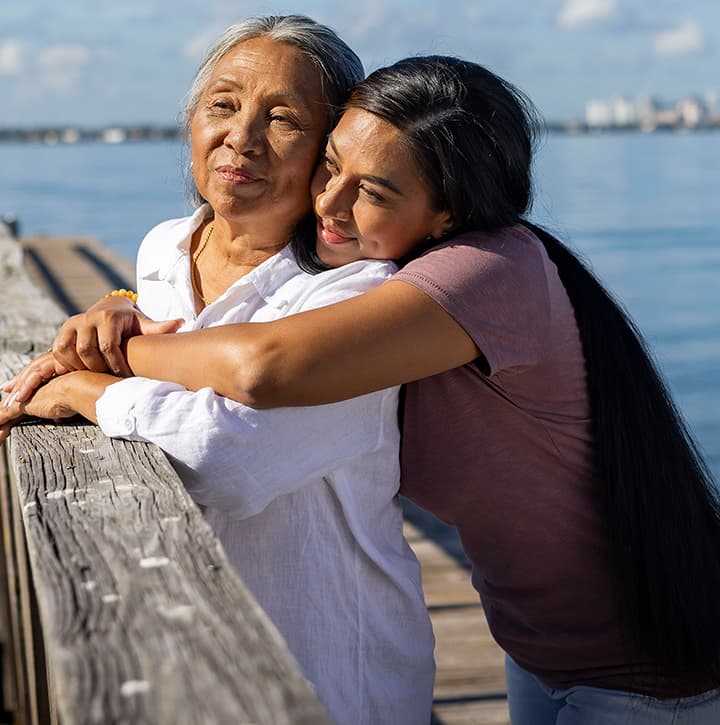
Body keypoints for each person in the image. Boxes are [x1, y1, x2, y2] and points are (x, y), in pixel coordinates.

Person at [5, 55, 720, 724]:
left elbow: (263, 367)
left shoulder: (484, 271)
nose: (330, 203)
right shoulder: (391, 270)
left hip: (660, 657)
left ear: (448, 212)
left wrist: (101, 374)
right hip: (541, 643)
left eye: (372, 190)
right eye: (330, 166)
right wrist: (122, 304)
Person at [1, 18, 439, 725]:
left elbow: (226, 461)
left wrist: (88, 390)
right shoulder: (165, 247)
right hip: (185, 644)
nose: (242, 137)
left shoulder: (355, 293)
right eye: (223, 104)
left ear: (330, 151)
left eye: (283, 118)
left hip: (331, 677)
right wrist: (119, 309)